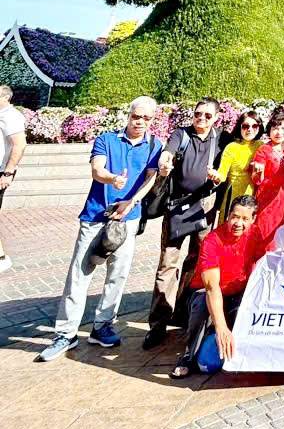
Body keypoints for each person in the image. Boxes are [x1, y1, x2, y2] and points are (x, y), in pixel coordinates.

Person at [40, 97, 162, 361]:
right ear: (129, 115)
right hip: (96, 215)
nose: (140, 122)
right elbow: (97, 170)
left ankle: (103, 325)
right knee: (79, 273)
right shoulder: (107, 139)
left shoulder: (154, 145)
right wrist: (112, 179)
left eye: (146, 118)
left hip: (127, 218)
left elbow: (150, 179)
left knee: (118, 274)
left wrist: (132, 202)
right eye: (136, 116)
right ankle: (66, 333)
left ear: (153, 120)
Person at [143, 99, 222, 351]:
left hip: (205, 206)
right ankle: (158, 323)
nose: (202, 118)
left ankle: (182, 311)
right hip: (177, 206)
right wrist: (165, 162)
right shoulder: (182, 134)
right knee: (168, 263)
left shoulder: (220, 138)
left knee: (197, 261)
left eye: (207, 115)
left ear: (216, 118)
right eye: (198, 114)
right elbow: (168, 151)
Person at [170, 195, 263, 379]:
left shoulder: (255, 233)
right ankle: (188, 356)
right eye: (235, 217)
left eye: (245, 219)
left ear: (253, 219)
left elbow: (264, 264)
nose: (238, 223)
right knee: (201, 307)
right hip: (206, 292)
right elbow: (212, 287)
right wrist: (221, 327)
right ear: (228, 216)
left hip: (237, 292)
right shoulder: (212, 241)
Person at [249, 108, 284, 243]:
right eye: (275, 128)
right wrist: (258, 171)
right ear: (269, 130)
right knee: (265, 233)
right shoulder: (264, 149)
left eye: (282, 128)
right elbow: (256, 179)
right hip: (267, 199)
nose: (278, 132)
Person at [210, 111, 263, 224]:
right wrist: (215, 176)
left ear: (259, 127)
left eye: (254, 126)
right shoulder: (232, 147)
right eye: (245, 126)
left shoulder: (261, 146)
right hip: (233, 198)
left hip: (255, 198)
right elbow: (222, 175)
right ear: (240, 127)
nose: (249, 129)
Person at [0, 84, 27, 274]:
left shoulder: (10, 116)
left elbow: (19, 145)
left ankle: (1, 257)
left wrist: (8, 173)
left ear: (5, 98)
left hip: (2, 171)